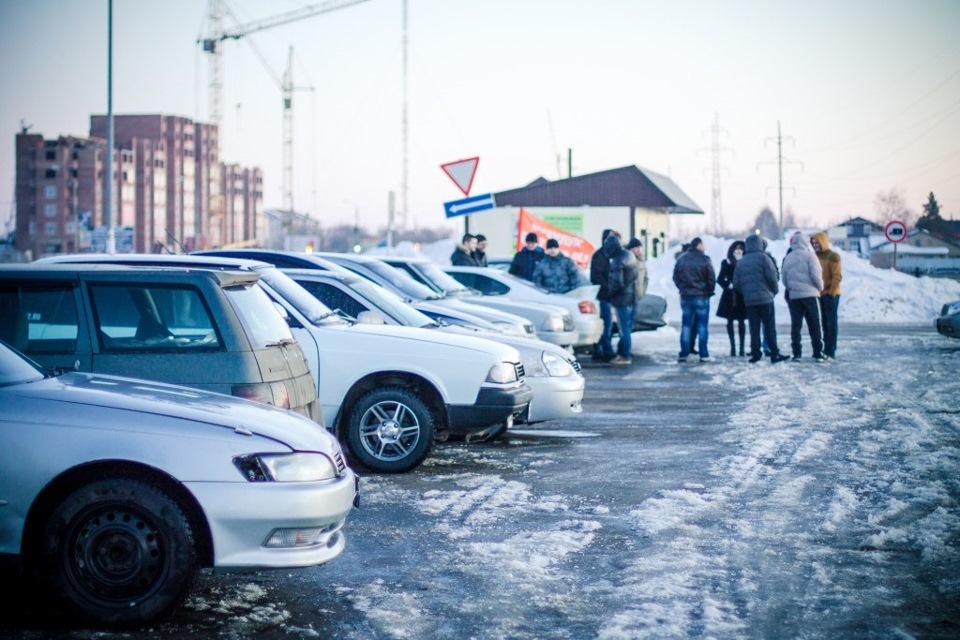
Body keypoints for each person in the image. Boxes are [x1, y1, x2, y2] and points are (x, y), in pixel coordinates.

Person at [733, 235, 789, 364]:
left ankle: (756, 354)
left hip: (750, 301)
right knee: (769, 327)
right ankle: (774, 353)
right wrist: (773, 291)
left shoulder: (741, 261)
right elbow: (772, 277)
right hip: (765, 299)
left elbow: (736, 283)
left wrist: (746, 293)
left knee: (754, 328)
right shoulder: (764, 258)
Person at [781, 232, 825, 362]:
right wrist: (820, 287)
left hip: (795, 297)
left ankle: (797, 353)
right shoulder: (810, 256)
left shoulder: (788, 257)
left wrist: (792, 288)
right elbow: (816, 275)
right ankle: (818, 352)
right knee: (815, 325)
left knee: (796, 326)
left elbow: (784, 278)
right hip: (810, 295)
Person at [672, 237, 716, 363]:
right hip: (701, 296)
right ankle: (704, 354)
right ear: (699, 245)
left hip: (686, 297)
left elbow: (675, 276)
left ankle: (683, 353)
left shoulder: (682, 259)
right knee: (702, 326)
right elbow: (711, 278)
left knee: (686, 325)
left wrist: (682, 288)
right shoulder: (705, 259)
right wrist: (708, 291)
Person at [810, 230, 842, 360]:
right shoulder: (814, 257)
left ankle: (830, 349)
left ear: (823, 242)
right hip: (820, 293)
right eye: (813, 243)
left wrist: (832, 292)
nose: (815, 245)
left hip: (831, 294)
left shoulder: (833, 256)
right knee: (823, 322)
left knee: (831, 323)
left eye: (817, 243)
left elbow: (837, 276)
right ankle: (825, 348)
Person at [608, 236, 639, 365]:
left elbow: (617, 282)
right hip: (632, 297)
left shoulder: (617, 259)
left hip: (622, 298)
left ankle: (624, 355)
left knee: (623, 329)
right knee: (627, 328)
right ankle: (624, 353)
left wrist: (610, 294)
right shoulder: (629, 255)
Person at [590, 229, 619, 362]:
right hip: (603, 295)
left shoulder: (611, 254)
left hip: (611, 295)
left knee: (608, 324)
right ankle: (604, 348)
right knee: (606, 323)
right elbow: (596, 276)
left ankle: (601, 347)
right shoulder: (599, 255)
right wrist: (608, 288)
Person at [716, 240, 747, 357]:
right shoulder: (726, 262)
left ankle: (742, 348)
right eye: (736, 248)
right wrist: (727, 285)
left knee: (741, 321)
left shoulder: (746, 262)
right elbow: (720, 279)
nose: (738, 251)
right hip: (729, 296)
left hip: (742, 295)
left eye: (741, 248)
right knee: (729, 321)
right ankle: (733, 347)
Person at [626, 237, 649, 302]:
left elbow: (645, 278)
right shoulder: (625, 259)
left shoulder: (641, 261)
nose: (639, 249)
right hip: (626, 298)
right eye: (637, 247)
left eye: (640, 247)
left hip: (638, 297)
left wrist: (642, 291)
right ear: (631, 248)